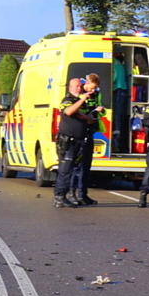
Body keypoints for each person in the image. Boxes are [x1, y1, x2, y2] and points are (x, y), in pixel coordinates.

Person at [52, 77, 98, 208]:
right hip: (68, 141)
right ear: (70, 88)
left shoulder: (80, 101)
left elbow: (82, 114)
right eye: (76, 86)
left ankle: (72, 195)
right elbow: (69, 111)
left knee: (75, 170)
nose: (79, 88)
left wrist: (89, 116)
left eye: (80, 86)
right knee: (65, 170)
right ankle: (59, 197)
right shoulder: (67, 100)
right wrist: (83, 99)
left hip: (80, 141)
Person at [70, 74, 103, 205]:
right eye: (92, 87)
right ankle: (72, 193)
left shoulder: (95, 95)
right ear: (86, 83)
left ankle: (83, 195)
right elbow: (78, 110)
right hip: (79, 132)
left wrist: (99, 111)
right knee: (76, 166)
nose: (93, 90)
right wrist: (91, 110)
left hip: (90, 131)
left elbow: (98, 110)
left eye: (95, 88)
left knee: (86, 166)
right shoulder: (79, 95)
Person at [112, 52, 129, 146]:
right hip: (121, 89)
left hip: (118, 88)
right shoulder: (118, 63)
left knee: (116, 115)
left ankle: (116, 141)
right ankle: (117, 140)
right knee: (118, 115)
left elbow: (113, 77)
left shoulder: (113, 62)